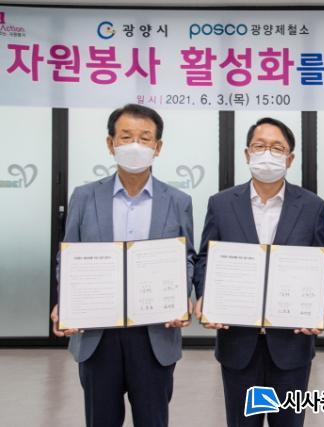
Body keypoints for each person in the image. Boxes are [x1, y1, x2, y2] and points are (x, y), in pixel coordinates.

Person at [50, 104, 196, 427]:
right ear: (110, 143)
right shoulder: (84, 197)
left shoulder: (178, 201)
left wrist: (182, 295)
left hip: (155, 332)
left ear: (158, 147)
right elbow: (69, 255)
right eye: (126, 137)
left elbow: (186, 256)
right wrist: (66, 301)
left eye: (145, 138)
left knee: (153, 420)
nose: (135, 145)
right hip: (97, 333)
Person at [193, 117, 324, 427]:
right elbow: (205, 258)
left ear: (290, 158)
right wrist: (205, 296)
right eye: (259, 146)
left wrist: (317, 304)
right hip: (237, 341)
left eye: (277, 148)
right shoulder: (221, 204)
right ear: (247, 154)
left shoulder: (312, 206)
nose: (267, 154)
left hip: (292, 342)